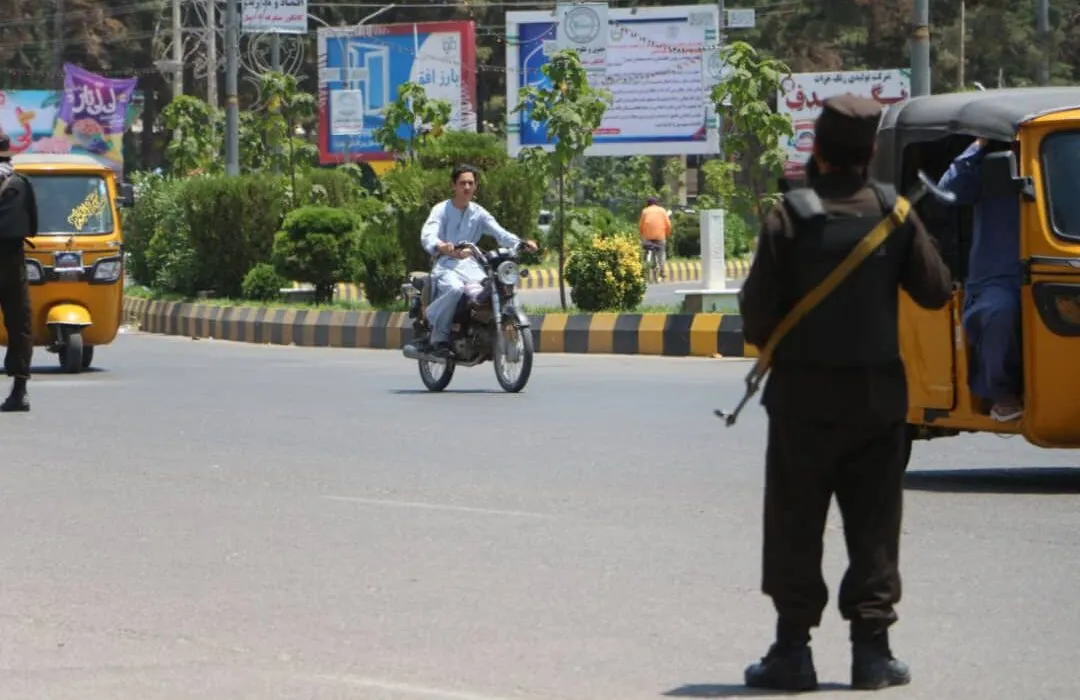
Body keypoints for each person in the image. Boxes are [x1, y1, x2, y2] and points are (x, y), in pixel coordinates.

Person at [738, 95, 953, 692]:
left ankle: (792, 653)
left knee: (794, 524)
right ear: (869, 155)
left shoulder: (789, 218)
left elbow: (757, 319)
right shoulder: (896, 214)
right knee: (875, 528)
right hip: (878, 403)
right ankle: (873, 655)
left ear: (817, 152)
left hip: (803, 404)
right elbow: (936, 291)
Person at [937, 138, 1024, 422]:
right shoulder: (989, 166)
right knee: (998, 312)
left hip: (1059, 265)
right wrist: (979, 146)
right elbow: (947, 191)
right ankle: (1001, 393)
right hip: (1000, 277)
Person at [418, 164, 538, 357]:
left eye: (470, 183)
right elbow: (428, 234)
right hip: (445, 265)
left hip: (471, 265)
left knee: (495, 288)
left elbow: (500, 233)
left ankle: (487, 329)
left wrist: (521, 243)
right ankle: (437, 334)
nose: (466, 187)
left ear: (475, 187)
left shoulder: (478, 212)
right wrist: (442, 246)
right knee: (455, 289)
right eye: (462, 183)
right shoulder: (441, 210)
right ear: (453, 186)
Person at [0, 134, 38, 412]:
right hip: (13, 260)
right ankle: (20, 389)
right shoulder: (22, 183)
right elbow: (33, 225)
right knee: (19, 323)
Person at [638, 196, 671, 280]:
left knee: (645, 250)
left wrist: (642, 235)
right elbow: (668, 225)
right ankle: (662, 270)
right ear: (657, 204)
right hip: (660, 236)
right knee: (661, 253)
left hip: (647, 237)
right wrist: (667, 234)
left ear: (648, 204)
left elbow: (640, 226)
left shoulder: (645, 211)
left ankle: (644, 267)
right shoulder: (662, 210)